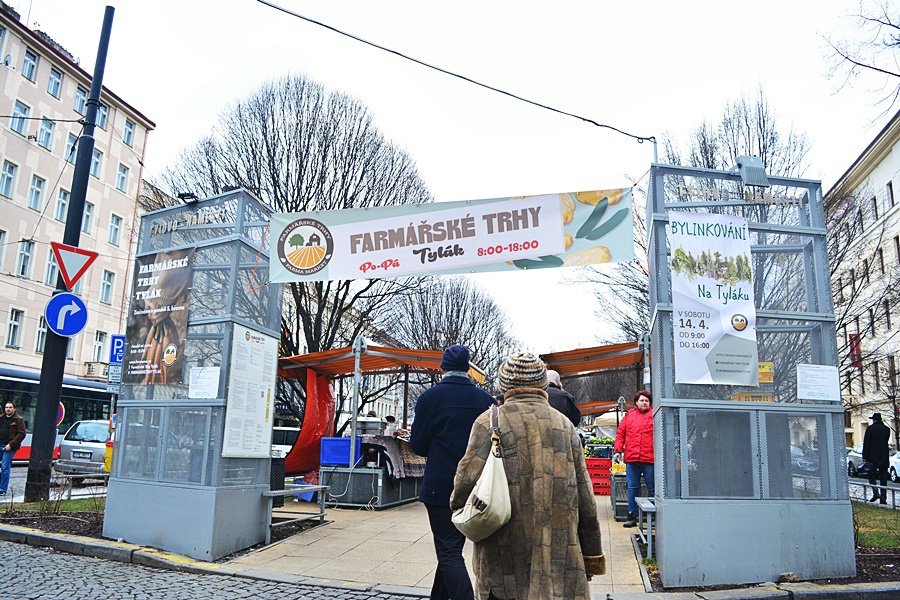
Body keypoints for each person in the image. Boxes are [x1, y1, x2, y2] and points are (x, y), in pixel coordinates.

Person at [452, 353, 604, 600]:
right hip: (558, 551)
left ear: (504, 385)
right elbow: (584, 494)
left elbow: (464, 484)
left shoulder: (489, 422)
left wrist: (461, 508)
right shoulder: (564, 425)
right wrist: (591, 554)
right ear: (542, 383)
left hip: (502, 551)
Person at [411, 344, 494, 600]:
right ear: (468, 369)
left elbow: (418, 445)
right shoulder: (485, 401)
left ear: (443, 367)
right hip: (474, 487)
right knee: (451, 550)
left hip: (440, 486)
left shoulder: (430, 398)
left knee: (448, 552)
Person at [614, 389, 654, 528]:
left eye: (647, 400)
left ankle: (654, 516)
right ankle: (632, 515)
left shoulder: (654, 415)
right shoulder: (629, 416)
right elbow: (620, 434)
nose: (644, 402)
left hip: (649, 459)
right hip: (632, 459)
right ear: (636, 402)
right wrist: (617, 451)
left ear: (650, 403)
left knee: (652, 487)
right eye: (642, 400)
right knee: (632, 488)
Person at [863, 412, 891, 504]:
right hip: (884, 456)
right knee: (883, 478)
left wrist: (864, 456)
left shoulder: (870, 429)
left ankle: (876, 493)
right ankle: (883, 498)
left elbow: (866, 443)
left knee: (872, 476)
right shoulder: (886, 429)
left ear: (874, 420)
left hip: (872, 457)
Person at [0, 401, 26, 496]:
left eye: (10, 407)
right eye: (6, 407)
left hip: (9, 447)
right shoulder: (1, 418)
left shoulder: (18, 419)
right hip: (0, 444)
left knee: (5, 468)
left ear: (14, 409)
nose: (8, 409)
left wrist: (11, 444)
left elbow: (21, 434)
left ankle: (2, 489)